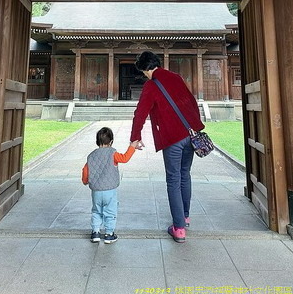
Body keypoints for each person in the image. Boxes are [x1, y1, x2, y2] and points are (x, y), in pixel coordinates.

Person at [130, 51, 204, 243]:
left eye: (143, 72)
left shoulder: (151, 85)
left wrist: (135, 137)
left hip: (172, 138)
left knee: (173, 179)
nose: (145, 75)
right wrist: (195, 126)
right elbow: (191, 102)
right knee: (184, 174)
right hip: (190, 135)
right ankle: (185, 217)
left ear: (146, 69)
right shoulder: (176, 77)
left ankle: (179, 228)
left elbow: (140, 113)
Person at [82, 126, 141, 244]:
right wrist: (132, 146)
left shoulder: (91, 156)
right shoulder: (113, 153)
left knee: (96, 211)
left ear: (97, 141)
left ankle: (95, 233)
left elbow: (85, 171)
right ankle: (109, 234)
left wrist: (85, 181)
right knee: (110, 211)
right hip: (110, 190)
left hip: (96, 191)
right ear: (111, 141)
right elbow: (125, 158)